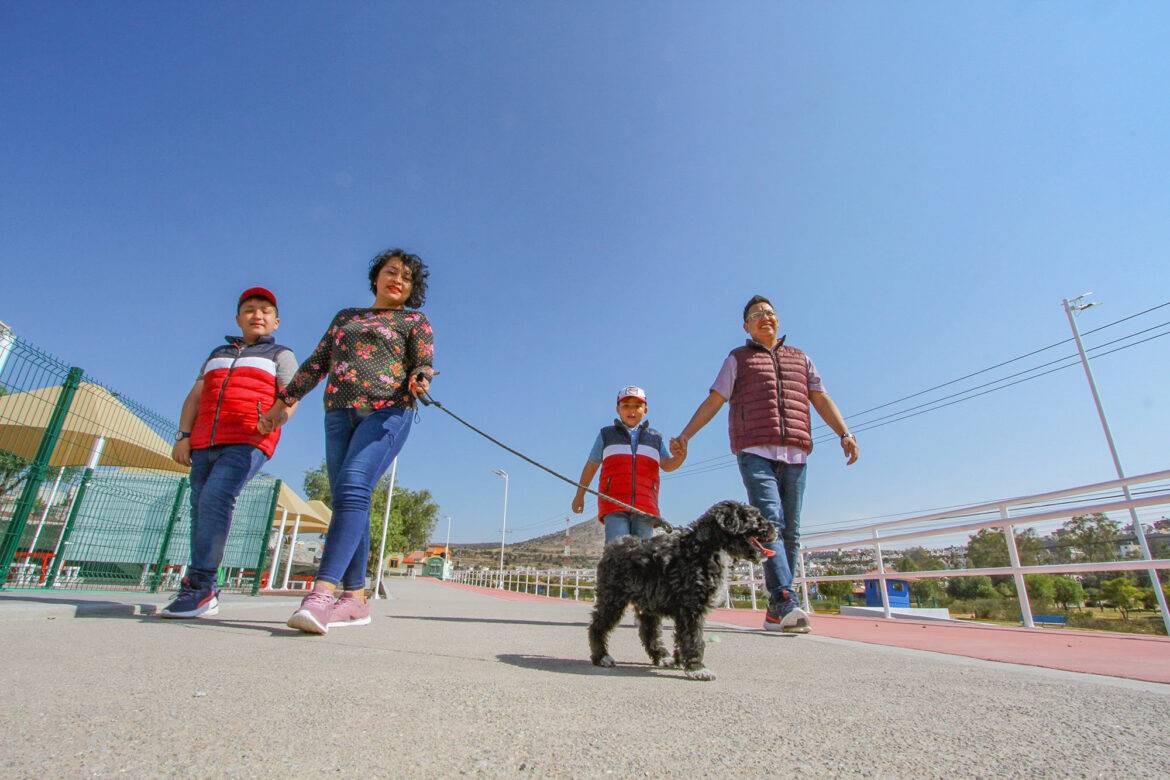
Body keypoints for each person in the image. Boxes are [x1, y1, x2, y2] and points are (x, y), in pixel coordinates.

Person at [259, 248, 434, 635]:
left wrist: (421, 376)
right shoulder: (346, 318)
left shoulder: (414, 322)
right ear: (376, 277)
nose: (397, 280)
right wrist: (283, 401)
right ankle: (354, 598)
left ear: (411, 290)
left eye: (406, 278)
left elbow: (422, 360)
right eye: (391, 272)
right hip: (338, 414)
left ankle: (321, 594)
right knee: (346, 499)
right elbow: (317, 363)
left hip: (387, 412)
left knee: (354, 487)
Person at [673, 295, 859, 633]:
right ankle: (786, 598)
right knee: (770, 521)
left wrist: (844, 433)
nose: (765, 318)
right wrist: (686, 436)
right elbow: (715, 399)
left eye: (770, 313)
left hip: (796, 454)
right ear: (746, 325)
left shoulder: (801, 359)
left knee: (792, 529)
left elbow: (820, 397)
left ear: (779, 320)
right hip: (755, 450)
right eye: (757, 314)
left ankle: (776, 609)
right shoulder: (738, 359)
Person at [162, 287, 298, 618]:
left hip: (248, 439)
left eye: (265, 311)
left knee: (216, 499)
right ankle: (200, 582)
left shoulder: (281, 354)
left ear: (276, 321)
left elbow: (292, 395)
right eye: (250, 309)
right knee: (199, 505)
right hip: (204, 441)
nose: (257, 315)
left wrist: (275, 418)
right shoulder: (217, 354)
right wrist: (183, 436)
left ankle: (202, 586)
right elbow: (195, 396)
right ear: (238, 318)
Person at [572, 386, 687, 544]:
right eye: (626, 406)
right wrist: (580, 496)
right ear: (618, 409)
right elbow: (591, 466)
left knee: (643, 556)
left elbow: (668, 465)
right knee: (618, 551)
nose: (631, 410)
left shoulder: (655, 438)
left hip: (645, 508)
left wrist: (680, 456)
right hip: (614, 505)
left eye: (637, 406)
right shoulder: (606, 435)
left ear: (645, 410)